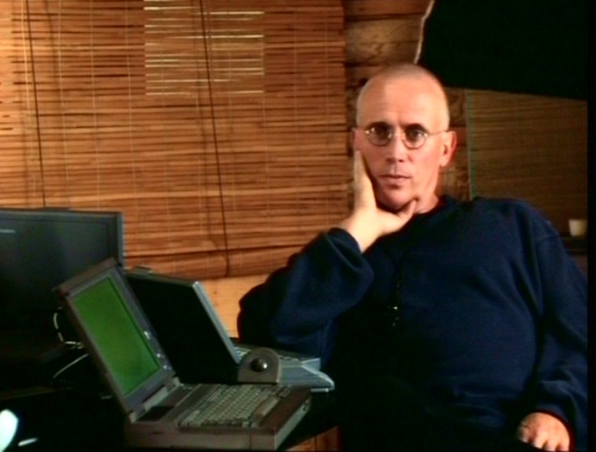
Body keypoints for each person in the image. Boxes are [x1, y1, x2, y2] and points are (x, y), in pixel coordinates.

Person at [237, 63, 587, 451]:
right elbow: (266, 336)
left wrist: (558, 410)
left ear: (446, 148)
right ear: (356, 143)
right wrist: (358, 230)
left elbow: (579, 332)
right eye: (379, 132)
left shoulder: (512, 226)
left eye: (415, 134)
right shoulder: (344, 258)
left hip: (510, 435)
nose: (396, 152)